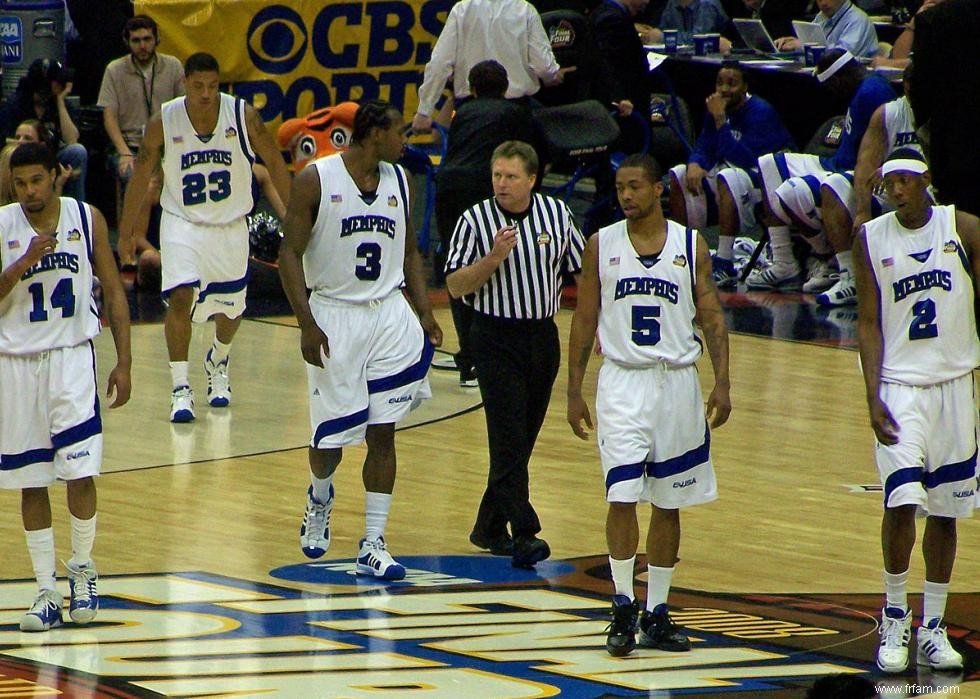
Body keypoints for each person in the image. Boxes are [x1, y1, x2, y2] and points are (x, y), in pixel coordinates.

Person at [567, 153, 731, 657]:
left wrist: (723, 381)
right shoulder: (601, 244)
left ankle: (657, 611)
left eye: (635, 186)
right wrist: (573, 387)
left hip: (678, 383)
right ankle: (621, 604)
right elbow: (583, 318)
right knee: (621, 495)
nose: (626, 195)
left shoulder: (689, 243)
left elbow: (711, 314)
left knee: (669, 500)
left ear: (659, 188)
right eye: (620, 187)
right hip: (622, 382)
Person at [278, 100, 442, 580]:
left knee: (383, 431)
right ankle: (319, 494)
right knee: (332, 439)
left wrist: (425, 311)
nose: (405, 141)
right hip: (335, 315)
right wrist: (307, 322)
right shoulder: (316, 179)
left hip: (388, 314)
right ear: (372, 135)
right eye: (399, 133)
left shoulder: (400, 182)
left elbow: (409, 251)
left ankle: (373, 541)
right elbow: (289, 254)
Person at [853, 150, 979, 674]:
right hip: (900, 387)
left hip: (954, 385)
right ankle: (895, 614)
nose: (896, 190)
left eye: (904, 180)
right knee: (902, 501)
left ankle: (933, 625)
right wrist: (871, 393)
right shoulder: (870, 237)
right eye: (888, 183)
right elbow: (867, 321)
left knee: (947, 512)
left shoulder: (964, 227)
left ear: (926, 179)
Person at [0, 142, 131, 631]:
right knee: (31, 480)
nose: (29, 191)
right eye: (20, 183)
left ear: (56, 175)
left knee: (79, 470)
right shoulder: (3, 225)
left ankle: (81, 569)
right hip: (15, 363)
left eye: (37, 180)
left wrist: (125, 361)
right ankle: (44, 590)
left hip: (72, 357)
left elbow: (114, 289)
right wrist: (21, 264)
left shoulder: (85, 216)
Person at [118, 52, 290, 422]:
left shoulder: (243, 116)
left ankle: (218, 360)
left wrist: (295, 218)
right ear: (185, 85)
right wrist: (128, 232)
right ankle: (180, 386)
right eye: (198, 86)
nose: (206, 94)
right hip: (182, 222)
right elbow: (142, 173)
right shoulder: (163, 121)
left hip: (229, 224)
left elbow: (275, 162)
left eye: (213, 86)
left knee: (232, 309)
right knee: (181, 297)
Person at [445, 140, 586, 568]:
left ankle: (488, 527)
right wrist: (492, 258)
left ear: (532, 179)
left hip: (542, 336)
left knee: (520, 443)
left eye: (510, 177)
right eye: (496, 175)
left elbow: (581, 268)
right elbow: (454, 285)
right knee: (506, 439)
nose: (501, 184)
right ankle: (525, 532)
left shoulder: (556, 215)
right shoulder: (474, 220)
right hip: (493, 337)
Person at [749, 49, 895, 291]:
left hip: (852, 172)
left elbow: (867, 157)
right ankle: (785, 260)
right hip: (836, 162)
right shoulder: (865, 88)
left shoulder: (871, 93)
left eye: (830, 86)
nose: (831, 93)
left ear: (839, 79)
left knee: (792, 193)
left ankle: (829, 260)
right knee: (768, 164)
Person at [434, 60, 538, 388]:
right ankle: (480, 358)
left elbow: (438, 124)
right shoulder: (515, 115)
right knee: (485, 268)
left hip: (448, 187)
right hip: (482, 189)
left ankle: (468, 357)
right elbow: (536, 152)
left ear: (473, 88)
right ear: (507, 87)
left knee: (457, 266)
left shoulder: (463, 112)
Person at [667, 62, 794, 288]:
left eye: (732, 83)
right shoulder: (716, 109)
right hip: (733, 174)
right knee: (679, 174)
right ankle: (680, 254)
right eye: (720, 83)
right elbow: (705, 145)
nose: (724, 89)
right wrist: (695, 163)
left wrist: (720, 120)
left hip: (764, 182)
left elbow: (744, 159)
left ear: (745, 86)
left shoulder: (761, 112)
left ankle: (724, 262)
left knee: (728, 175)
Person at [817, 63, 922, 307]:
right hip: (891, 188)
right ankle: (849, 276)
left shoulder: (951, 109)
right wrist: (862, 210)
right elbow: (865, 162)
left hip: (932, 191)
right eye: (912, 87)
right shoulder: (889, 113)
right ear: (904, 87)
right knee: (833, 184)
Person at [97, 14, 184, 264]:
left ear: (157, 39)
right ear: (127, 42)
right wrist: (123, 152)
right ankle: (133, 247)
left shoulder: (174, 66)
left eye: (147, 39)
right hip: (130, 146)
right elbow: (109, 115)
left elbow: (183, 110)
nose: (143, 45)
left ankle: (166, 246)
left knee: (171, 177)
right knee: (139, 179)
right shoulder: (115, 70)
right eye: (136, 40)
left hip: (168, 146)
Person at [411, 0, 565, 132]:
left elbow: (439, 63)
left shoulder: (462, 10)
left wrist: (424, 112)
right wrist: (552, 75)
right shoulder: (525, 10)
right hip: (515, 112)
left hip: (470, 111)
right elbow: (544, 66)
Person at [910, 0, 980, 216]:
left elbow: (920, 90)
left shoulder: (932, 20)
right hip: (957, 146)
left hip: (955, 146)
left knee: (960, 226)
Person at [0, 58, 88, 201]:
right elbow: (5, 142)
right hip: (21, 158)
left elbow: (72, 140)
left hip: (52, 156)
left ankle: (75, 209)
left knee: (77, 152)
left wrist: (60, 101)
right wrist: (26, 143)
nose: (61, 86)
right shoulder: (16, 105)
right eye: (57, 82)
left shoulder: (58, 102)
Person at [774, 0, 879, 58]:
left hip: (850, 83)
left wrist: (804, 46)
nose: (823, 3)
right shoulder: (821, 16)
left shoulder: (858, 19)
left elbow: (841, 56)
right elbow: (811, 44)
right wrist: (792, 43)